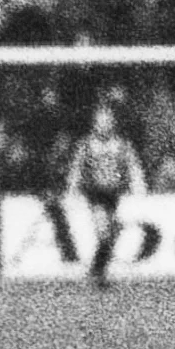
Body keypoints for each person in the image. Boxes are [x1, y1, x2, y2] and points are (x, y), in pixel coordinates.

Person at [63, 97, 146, 286]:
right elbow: (76, 168)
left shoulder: (122, 144)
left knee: (111, 233)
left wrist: (139, 185)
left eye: (107, 120)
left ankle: (96, 270)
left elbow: (133, 166)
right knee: (103, 231)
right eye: (100, 121)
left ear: (113, 123)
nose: (104, 124)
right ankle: (98, 272)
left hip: (114, 193)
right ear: (95, 123)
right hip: (95, 192)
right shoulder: (86, 144)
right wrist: (72, 189)